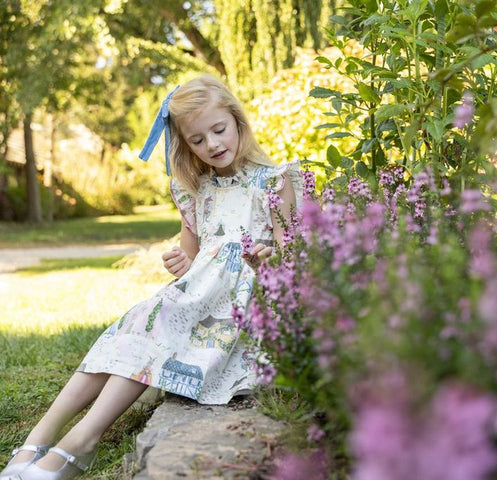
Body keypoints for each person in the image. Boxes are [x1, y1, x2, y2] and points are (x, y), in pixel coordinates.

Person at [1, 74, 302, 480]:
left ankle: (80, 443)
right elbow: (191, 255)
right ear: (184, 143)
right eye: (197, 139)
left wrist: (268, 260)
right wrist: (179, 260)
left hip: (238, 308)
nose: (212, 144)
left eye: (219, 130)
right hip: (194, 297)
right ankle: (40, 436)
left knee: (152, 330)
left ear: (238, 121)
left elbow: (293, 254)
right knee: (129, 330)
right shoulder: (196, 189)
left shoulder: (275, 180)